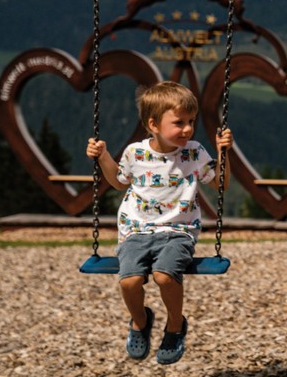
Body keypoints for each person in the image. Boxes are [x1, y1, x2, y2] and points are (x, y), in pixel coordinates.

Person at [87, 80, 233, 365]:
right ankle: (140, 322)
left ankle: (175, 326)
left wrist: (224, 153)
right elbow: (118, 182)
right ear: (153, 124)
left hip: (178, 230)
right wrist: (103, 156)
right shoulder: (135, 153)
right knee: (129, 282)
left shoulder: (194, 152)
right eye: (179, 122)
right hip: (135, 230)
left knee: (164, 276)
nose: (188, 129)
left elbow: (221, 185)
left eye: (191, 121)